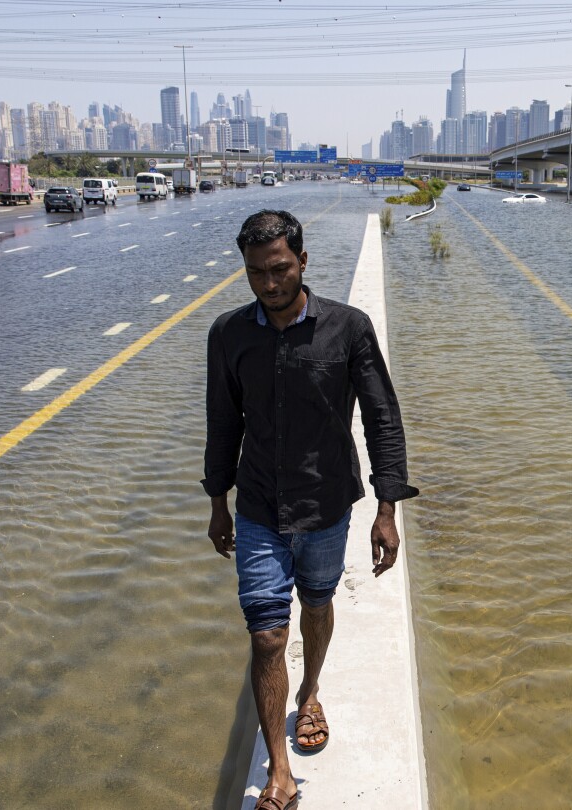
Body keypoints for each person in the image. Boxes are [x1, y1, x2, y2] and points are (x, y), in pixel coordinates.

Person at [203, 209, 418, 810]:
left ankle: (311, 692)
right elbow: (222, 424)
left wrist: (387, 509)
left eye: (279, 269)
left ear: (302, 261)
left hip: (326, 505)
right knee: (267, 634)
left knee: (317, 605)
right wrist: (218, 503)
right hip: (259, 506)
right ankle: (280, 772)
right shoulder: (228, 334)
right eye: (256, 273)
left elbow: (382, 419)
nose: (269, 284)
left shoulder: (348, 329)